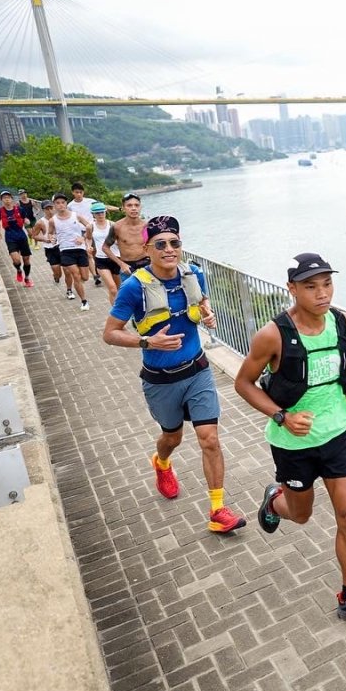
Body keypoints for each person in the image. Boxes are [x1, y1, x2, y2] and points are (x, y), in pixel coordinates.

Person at [233, 253, 346, 633]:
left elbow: (340, 368)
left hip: (338, 434)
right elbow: (243, 384)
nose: (322, 294)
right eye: (311, 286)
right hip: (292, 443)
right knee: (300, 515)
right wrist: (281, 416)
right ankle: (274, 500)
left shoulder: (342, 321)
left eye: (327, 284)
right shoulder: (272, 335)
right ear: (292, 289)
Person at [102, 214, 245, 535]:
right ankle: (162, 463)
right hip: (160, 379)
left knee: (209, 438)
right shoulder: (133, 288)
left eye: (175, 243)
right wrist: (147, 340)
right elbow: (110, 333)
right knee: (173, 438)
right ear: (147, 248)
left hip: (197, 370)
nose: (169, 249)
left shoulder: (193, 274)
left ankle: (217, 510)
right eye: (161, 244)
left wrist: (207, 315)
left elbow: (201, 303)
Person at [50, 195, 93, 310]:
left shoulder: (76, 216)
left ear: (66, 204)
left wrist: (83, 238)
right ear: (54, 205)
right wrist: (52, 238)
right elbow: (51, 233)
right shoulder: (52, 220)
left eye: (63, 202)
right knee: (76, 275)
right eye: (57, 203)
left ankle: (79, 287)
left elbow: (89, 226)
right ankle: (84, 301)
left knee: (85, 277)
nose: (60, 205)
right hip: (65, 251)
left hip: (80, 249)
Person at [104, 192, 150, 280]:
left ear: (140, 207)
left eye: (136, 205)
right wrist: (121, 264)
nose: (134, 208)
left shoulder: (147, 226)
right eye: (129, 205)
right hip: (128, 267)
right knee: (129, 293)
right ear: (124, 208)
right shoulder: (117, 227)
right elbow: (105, 248)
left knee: (150, 293)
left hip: (147, 264)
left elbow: (155, 245)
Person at [0, 190, 34, 287]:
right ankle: (19, 270)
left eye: (8, 197)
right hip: (10, 237)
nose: (6, 199)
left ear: (11, 199)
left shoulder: (20, 209)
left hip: (21, 236)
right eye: (4, 198)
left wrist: (27, 222)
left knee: (26, 259)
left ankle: (27, 278)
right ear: (1, 200)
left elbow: (25, 219)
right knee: (16, 260)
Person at [31, 195, 67, 288]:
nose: (50, 210)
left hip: (62, 247)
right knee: (58, 272)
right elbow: (34, 235)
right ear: (43, 210)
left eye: (51, 208)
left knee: (68, 269)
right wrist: (45, 239)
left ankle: (69, 289)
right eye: (47, 209)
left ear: (54, 208)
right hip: (50, 249)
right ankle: (56, 276)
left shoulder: (61, 217)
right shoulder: (40, 222)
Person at [88, 203, 120, 305]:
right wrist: (88, 246)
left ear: (105, 212)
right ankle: (115, 312)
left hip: (115, 258)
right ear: (93, 214)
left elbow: (121, 239)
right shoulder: (90, 226)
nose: (100, 215)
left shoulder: (113, 225)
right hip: (101, 260)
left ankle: (119, 307)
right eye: (97, 213)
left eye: (102, 212)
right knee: (112, 288)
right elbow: (88, 238)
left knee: (118, 289)